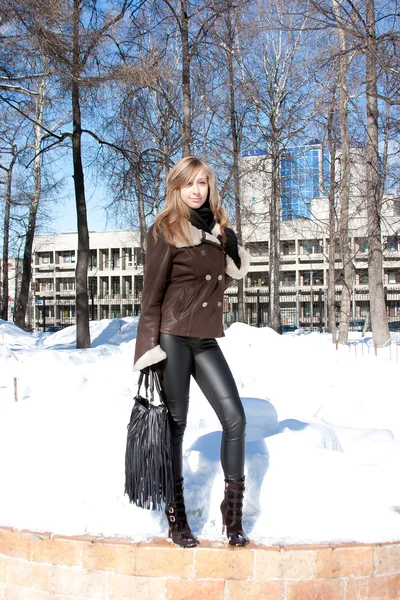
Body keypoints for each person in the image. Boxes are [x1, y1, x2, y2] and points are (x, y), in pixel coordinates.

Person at [133, 156, 251, 548]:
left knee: (235, 417)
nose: (198, 190)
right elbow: (151, 299)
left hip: (204, 338)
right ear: (177, 189)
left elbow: (221, 281)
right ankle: (176, 514)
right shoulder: (165, 231)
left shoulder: (218, 230)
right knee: (176, 425)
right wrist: (147, 353)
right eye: (190, 184)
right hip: (172, 337)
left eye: (203, 182)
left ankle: (231, 514)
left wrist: (231, 246)